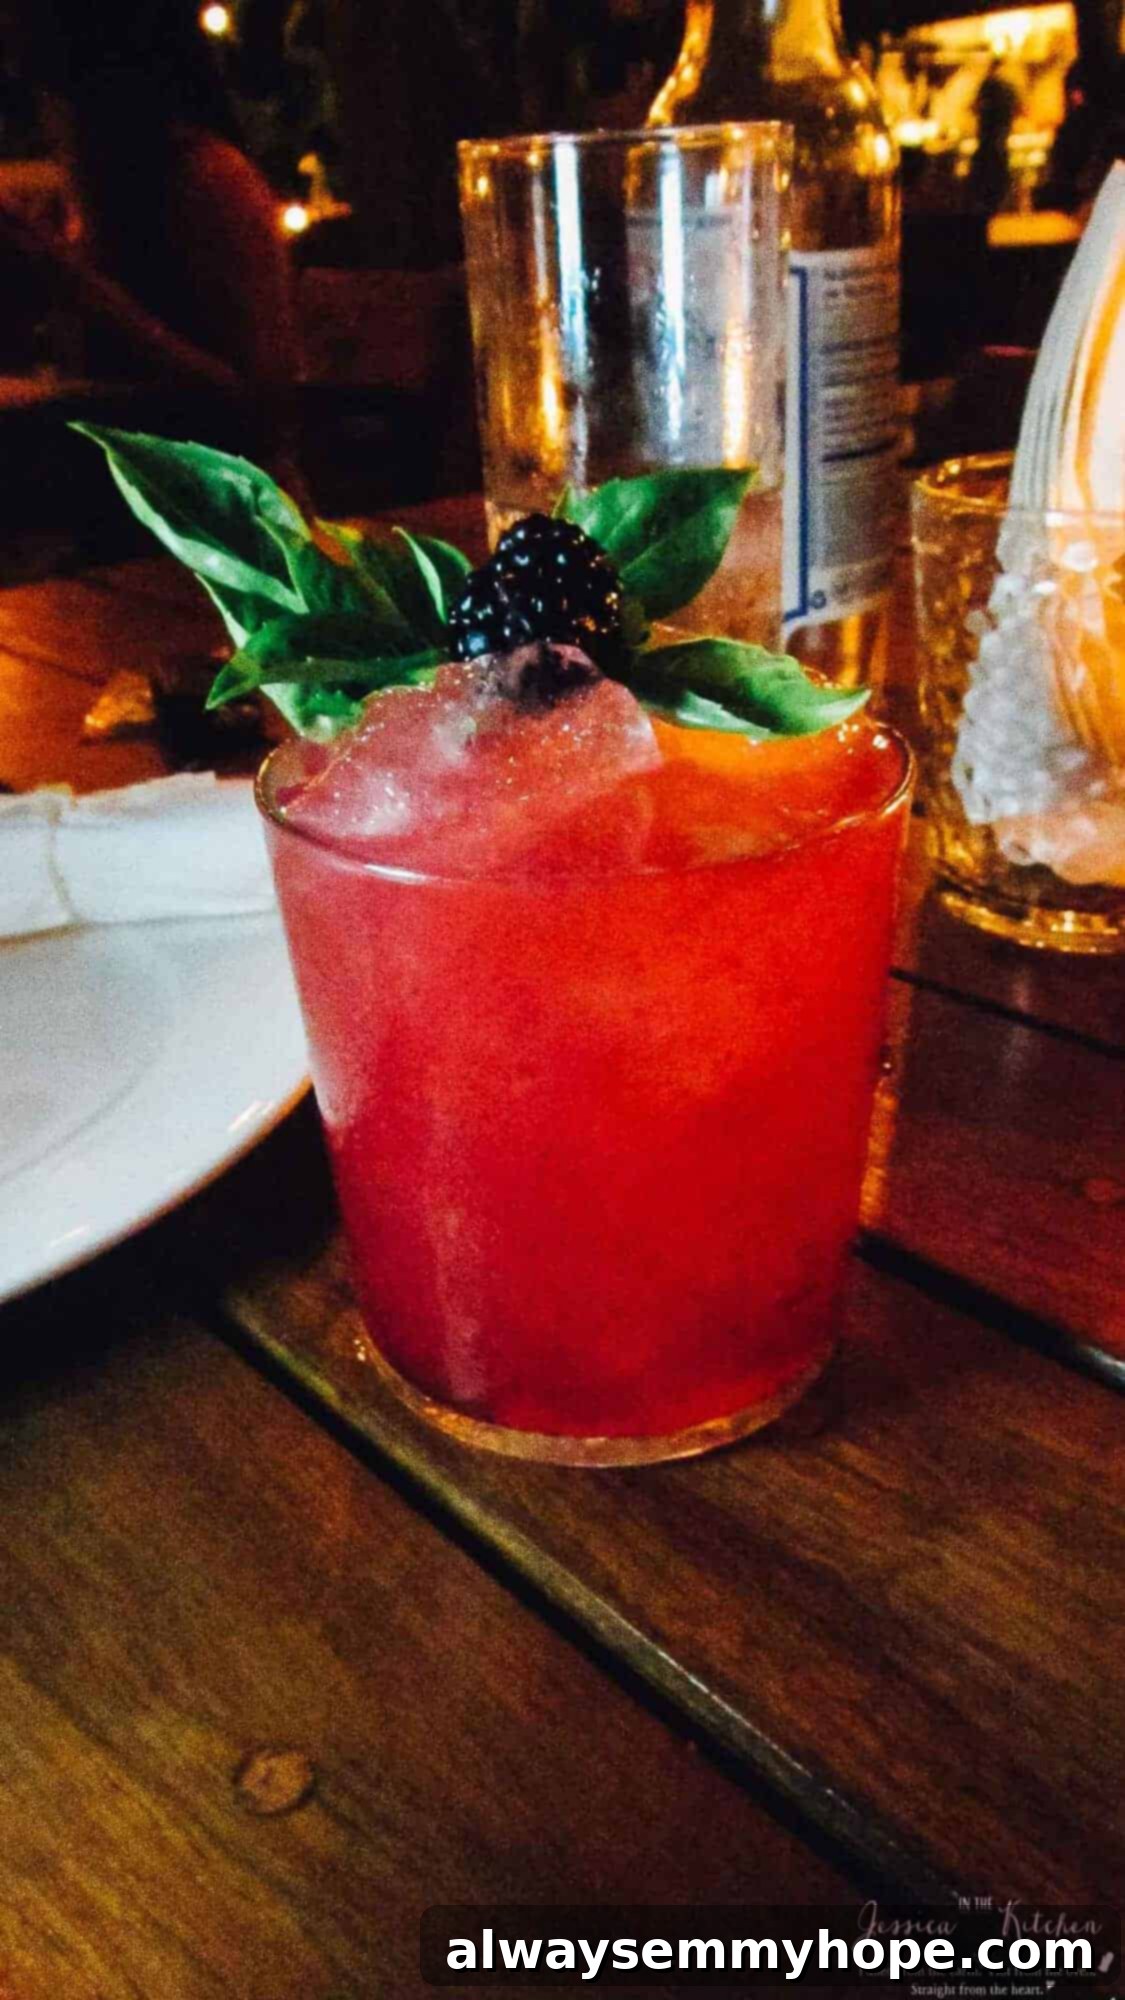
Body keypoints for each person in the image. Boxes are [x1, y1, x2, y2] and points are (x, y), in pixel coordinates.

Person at [2, 0, 301, 460]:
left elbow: (260, 409)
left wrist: (75, 284)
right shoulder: (102, 181)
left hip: (221, 514)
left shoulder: (209, 179)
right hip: (128, 494)